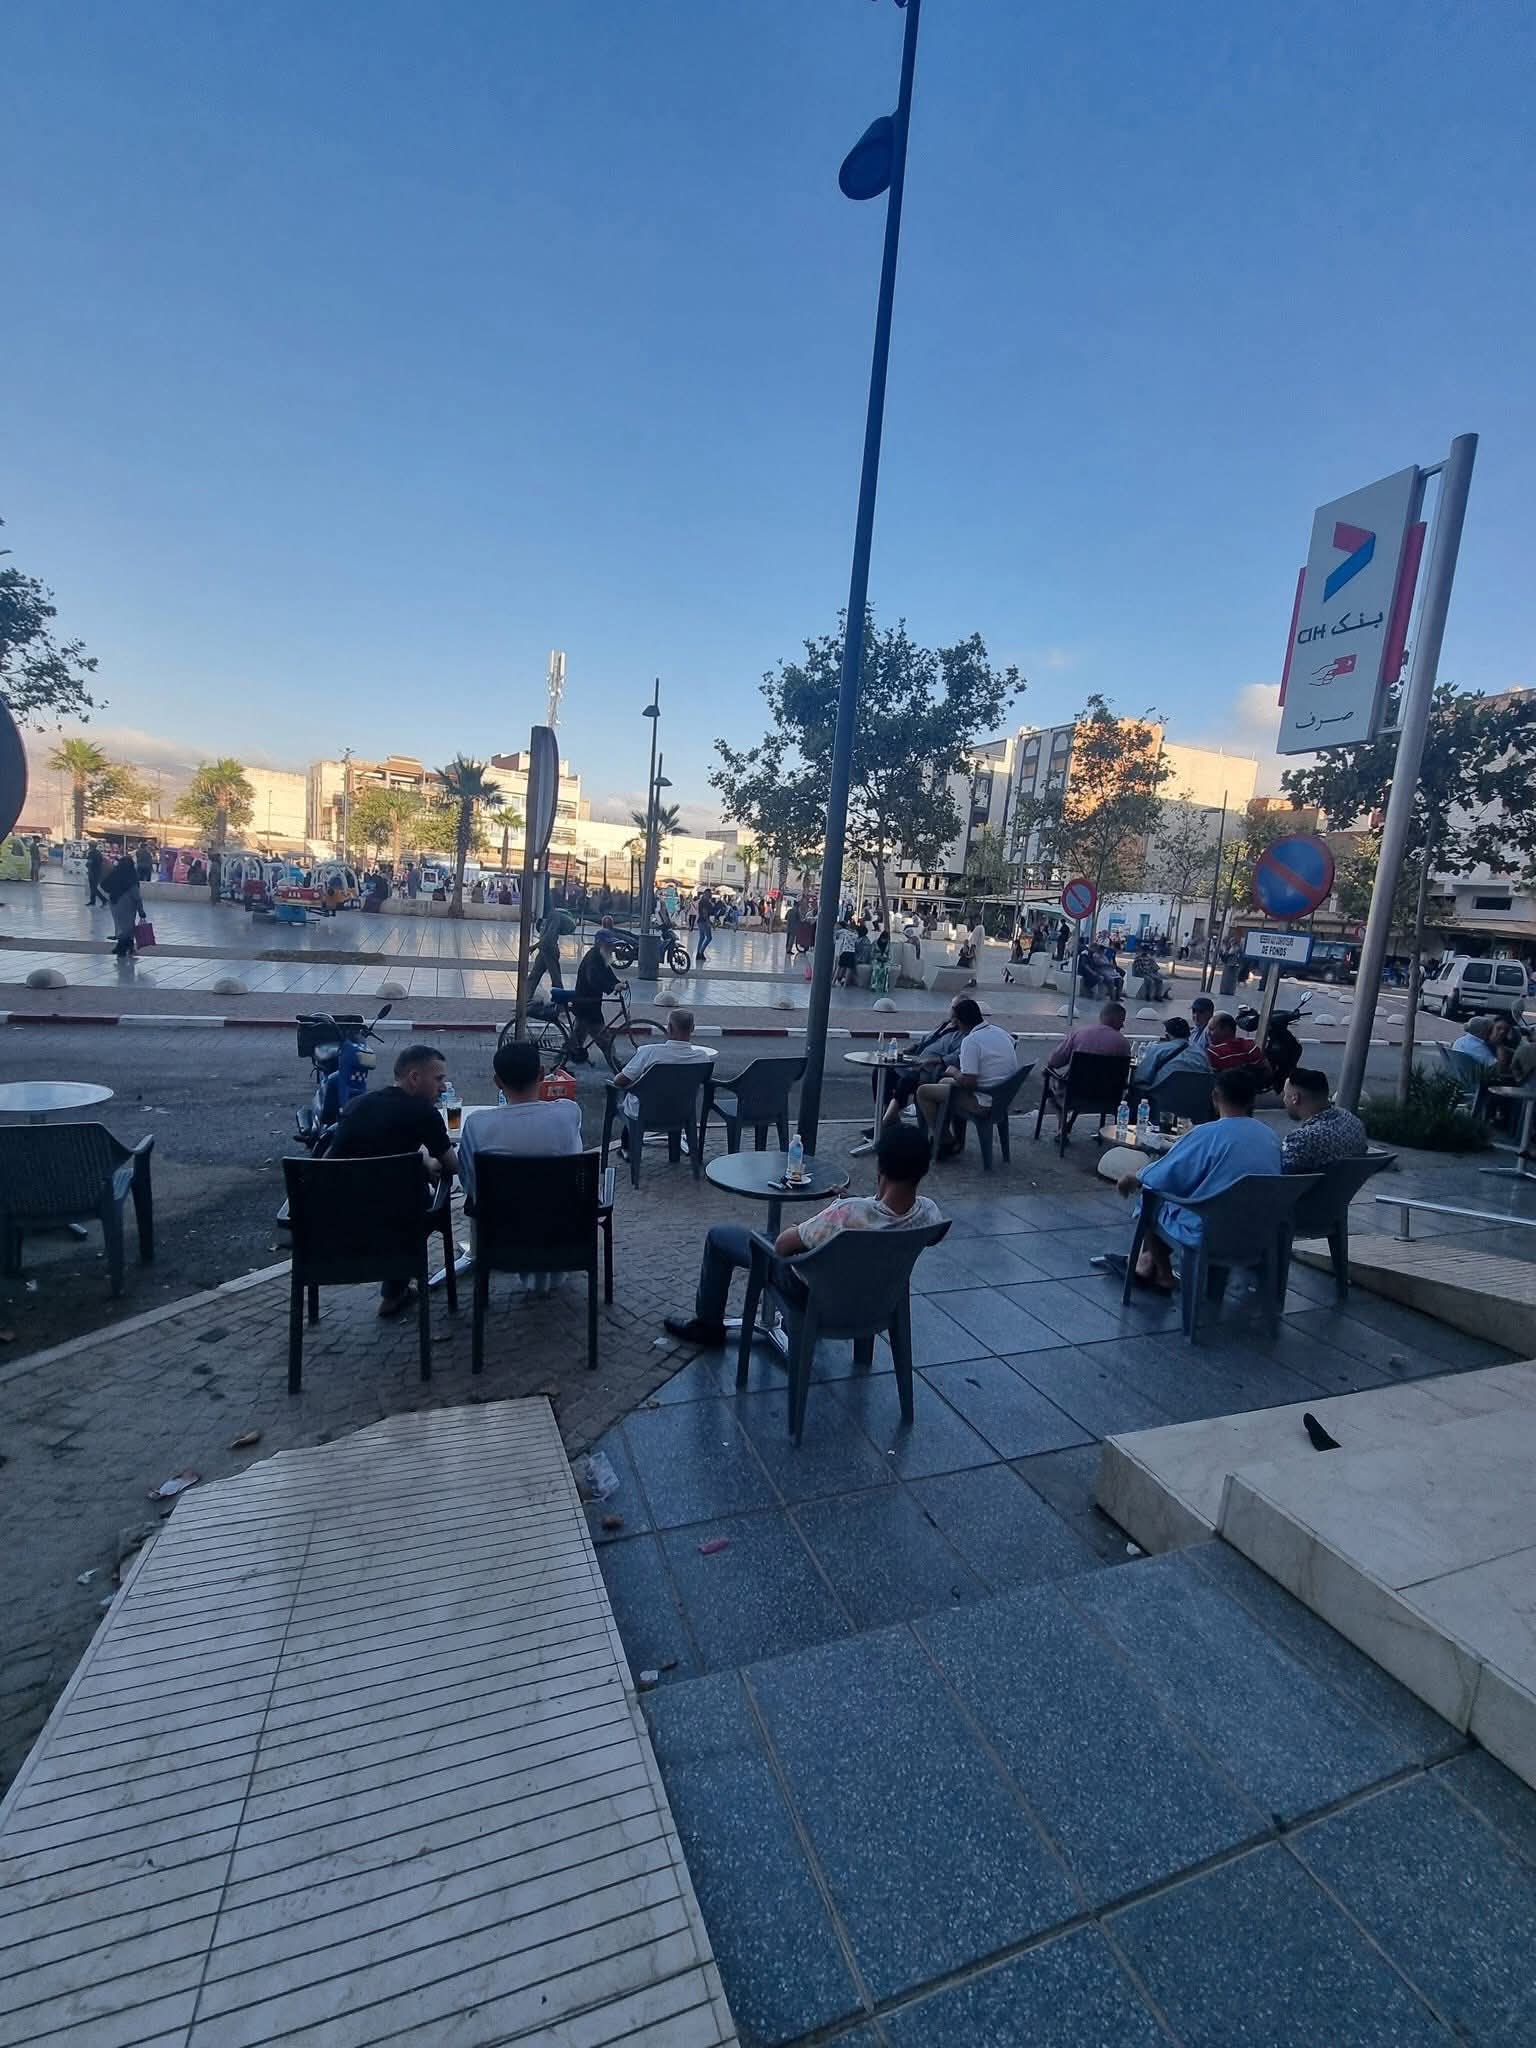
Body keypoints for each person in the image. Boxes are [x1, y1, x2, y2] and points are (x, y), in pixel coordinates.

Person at [663, 1123, 942, 1348]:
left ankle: (708, 1326)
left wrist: (813, 1223)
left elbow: (783, 1247)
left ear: (881, 1167)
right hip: (873, 1300)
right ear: (923, 1170)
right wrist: (861, 1202)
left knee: (721, 1237)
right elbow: (914, 1229)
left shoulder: (846, 1214)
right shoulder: (928, 1213)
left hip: (812, 1294)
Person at [1116, 1068, 1282, 1290]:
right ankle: (1148, 1260)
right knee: (1186, 1201)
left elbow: (1164, 1175)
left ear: (1215, 1097)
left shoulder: (1208, 1133)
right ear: (1252, 1100)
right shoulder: (1270, 1137)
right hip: (1259, 1232)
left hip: (1212, 1232)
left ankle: (1163, 1273)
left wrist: (1133, 1177)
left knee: (1151, 1200)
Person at [329, 1043, 458, 1318]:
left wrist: (421, 1159)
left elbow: (364, 1152)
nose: (443, 1087)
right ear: (415, 1078)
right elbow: (452, 1165)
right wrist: (430, 1162)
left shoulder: (357, 1105)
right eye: (438, 1079)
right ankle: (394, 1293)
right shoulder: (423, 1113)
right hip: (397, 1225)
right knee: (416, 1199)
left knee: (394, 1193)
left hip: (340, 1222)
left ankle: (395, 1292)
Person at [457, 1038, 582, 1225]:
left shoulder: (476, 1124)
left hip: (499, 1232)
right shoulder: (568, 1112)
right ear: (541, 1074)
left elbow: (470, 1185)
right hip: (559, 1228)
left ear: (497, 1082)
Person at [851, 997, 970, 1156]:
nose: (953, 1012)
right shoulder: (944, 1024)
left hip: (929, 1072)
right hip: (914, 1062)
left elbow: (955, 1057)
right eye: (952, 1007)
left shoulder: (963, 1036)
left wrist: (932, 1060)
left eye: (956, 1009)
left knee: (907, 1081)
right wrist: (910, 1048)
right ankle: (890, 1118)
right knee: (882, 1072)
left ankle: (883, 1126)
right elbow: (926, 1040)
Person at [916, 998, 1018, 1155]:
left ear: (961, 1022)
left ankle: (944, 1140)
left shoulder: (971, 1041)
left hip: (983, 1103)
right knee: (944, 1083)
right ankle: (954, 1139)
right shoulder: (1001, 1033)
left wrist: (953, 1071)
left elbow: (969, 1083)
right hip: (1003, 1098)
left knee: (923, 1092)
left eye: (956, 1022)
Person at [610, 1007, 715, 1145]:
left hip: (645, 1114)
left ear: (669, 1027)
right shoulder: (702, 1057)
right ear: (693, 1028)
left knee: (629, 1096)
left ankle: (628, 1147)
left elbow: (620, 1081)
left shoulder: (650, 1052)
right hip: (681, 1112)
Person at [1281, 1068, 1368, 1172]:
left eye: (1285, 1095)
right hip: (1346, 1181)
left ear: (1295, 1098)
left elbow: (1278, 1173)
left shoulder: (1301, 1141)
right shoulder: (1354, 1122)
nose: (1283, 1099)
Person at [570, 928, 622, 1061]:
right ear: (599, 943)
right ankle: (616, 1064)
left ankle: (560, 1062)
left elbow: (608, 974)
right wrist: (612, 986)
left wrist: (617, 983)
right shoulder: (593, 958)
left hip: (588, 1003)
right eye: (608, 944)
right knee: (603, 1037)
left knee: (577, 1038)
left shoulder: (600, 956)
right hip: (587, 1004)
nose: (612, 947)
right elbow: (593, 979)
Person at [1133, 1016, 1210, 1094]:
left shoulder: (1158, 1050)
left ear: (1167, 1036)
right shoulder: (1201, 1054)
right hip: (1196, 1097)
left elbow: (1141, 1077)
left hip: (1163, 1097)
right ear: (1189, 1035)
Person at [1204, 1012, 1269, 1084]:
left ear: (1226, 1029)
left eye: (1211, 1029)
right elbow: (1266, 1072)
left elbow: (1208, 1081)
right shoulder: (1251, 1047)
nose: (1208, 1033)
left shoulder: (1213, 1053)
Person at [527, 905, 576, 999]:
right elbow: (547, 937)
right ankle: (526, 998)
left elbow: (549, 937)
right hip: (545, 949)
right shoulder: (551, 917)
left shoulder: (554, 916)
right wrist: (536, 946)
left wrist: (535, 946)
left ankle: (560, 1002)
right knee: (536, 975)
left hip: (549, 950)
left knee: (554, 978)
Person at [103, 849, 143, 959]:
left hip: (115, 903)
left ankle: (126, 947)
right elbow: (136, 896)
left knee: (121, 926)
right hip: (128, 905)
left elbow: (104, 885)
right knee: (128, 927)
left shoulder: (116, 873)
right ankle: (123, 948)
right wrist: (141, 910)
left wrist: (112, 893)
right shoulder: (132, 876)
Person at [85, 843, 107, 907]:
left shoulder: (93, 853)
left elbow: (90, 862)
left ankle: (104, 900)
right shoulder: (97, 853)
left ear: (92, 846)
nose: (89, 847)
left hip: (94, 873)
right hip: (95, 872)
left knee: (93, 888)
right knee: (92, 887)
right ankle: (92, 901)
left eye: (90, 846)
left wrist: (89, 864)